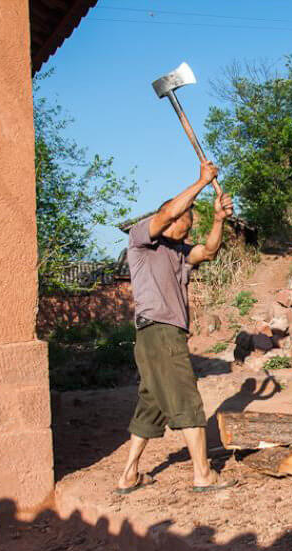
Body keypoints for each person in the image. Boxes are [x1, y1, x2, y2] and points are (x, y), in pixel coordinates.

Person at [115, 160, 234, 493]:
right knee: (186, 397)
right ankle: (203, 474)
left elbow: (209, 251)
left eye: (191, 221)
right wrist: (200, 182)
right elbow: (166, 214)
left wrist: (219, 219)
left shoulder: (179, 253)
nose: (187, 225)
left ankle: (128, 475)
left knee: (150, 406)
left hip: (153, 336)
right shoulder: (141, 239)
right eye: (185, 218)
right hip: (162, 332)